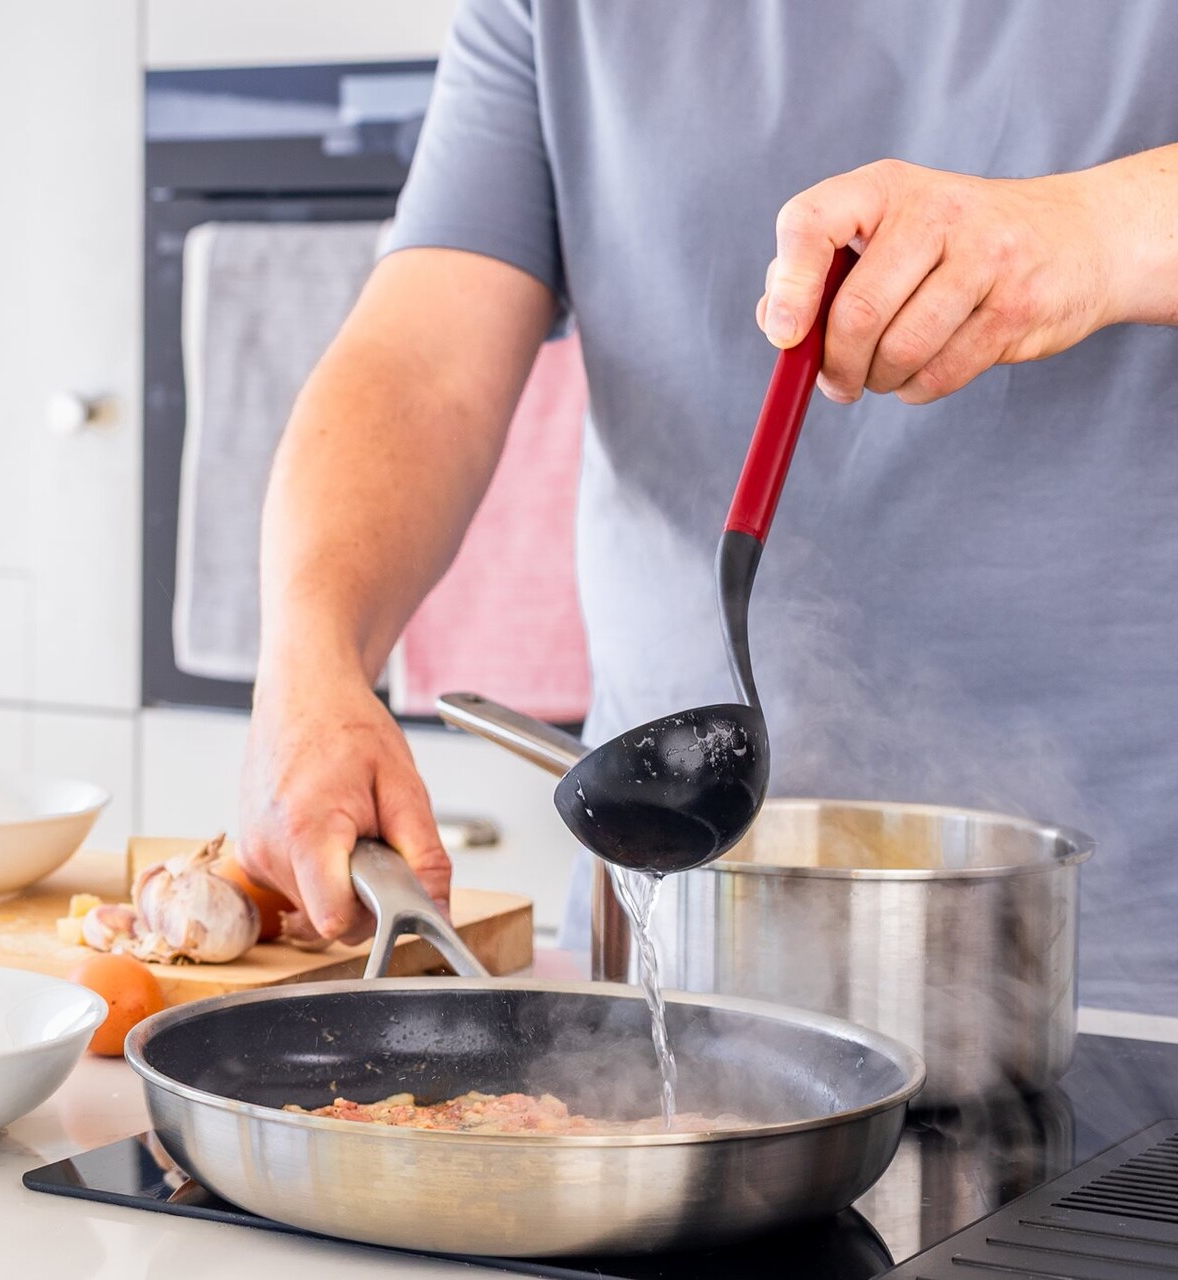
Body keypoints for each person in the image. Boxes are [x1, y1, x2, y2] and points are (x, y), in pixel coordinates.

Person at [237, 1, 1178, 1014]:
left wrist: (1094, 231)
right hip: (666, 940)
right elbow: (424, 363)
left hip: (1129, 962)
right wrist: (309, 659)